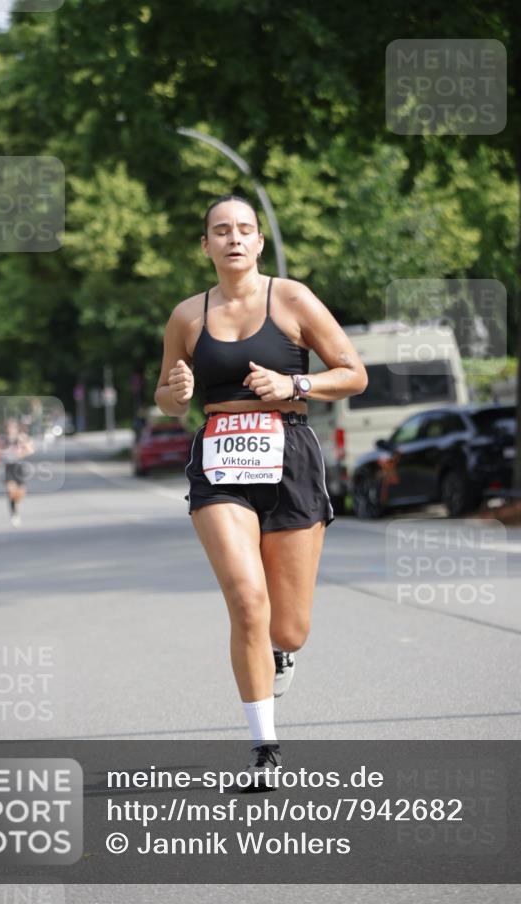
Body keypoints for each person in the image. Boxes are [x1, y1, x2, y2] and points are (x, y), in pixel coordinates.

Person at [154, 193, 368, 782]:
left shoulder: (292, 298)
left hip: (290, 453)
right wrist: (174, 389)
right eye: (221, 231)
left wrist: (293, 383)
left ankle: (281, 653)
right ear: (206, 246)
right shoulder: (186, 316)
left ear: (259, 241)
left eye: (244, 229)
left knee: (289, 625)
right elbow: (169, 400)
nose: (234, 239)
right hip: (220, 459)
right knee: (247, 599)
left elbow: (354, 374)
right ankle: (264, 746)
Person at [0, 418, 34, 526]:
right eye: (9, 427)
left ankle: (16, 507)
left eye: (13, 427)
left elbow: (31, 450)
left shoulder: (22, 438)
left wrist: (21, 452)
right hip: (9, 468)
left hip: (20, 468)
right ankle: (14, 514)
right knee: (11, 492)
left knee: (19, 494)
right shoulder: (3, 440)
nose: (11, 429)